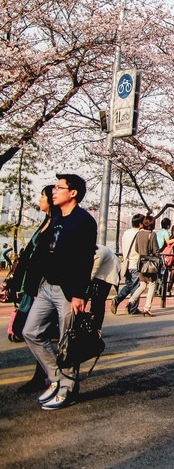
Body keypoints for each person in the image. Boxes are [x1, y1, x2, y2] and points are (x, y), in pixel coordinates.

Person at [23, 174, 97, 410]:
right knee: (30, 331)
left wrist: (79, 294)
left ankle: (68, 390)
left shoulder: (84, 221)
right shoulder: (56, 218)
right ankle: (57, 379)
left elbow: (86, 259)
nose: (54, 191)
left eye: (59, 187)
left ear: (73, 193)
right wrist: (33, 286)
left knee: (67, 342)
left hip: (68, 291)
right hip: (46, 286)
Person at [8, 186, 55, 393]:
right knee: (28, 329)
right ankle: (45, 373)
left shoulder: (56, 224)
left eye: (43, 196)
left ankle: (46, 374)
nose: (39, 199)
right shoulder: (46, 222)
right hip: (32, 285)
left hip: (43, 286)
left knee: (36, 329)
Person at [111, 213, 144, 316]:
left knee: (129, 285)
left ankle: (117, 299)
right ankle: (132, 308)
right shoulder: (141, 233)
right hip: (135, 263)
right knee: (136, 286)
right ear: (140, 224)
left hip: (126, 263)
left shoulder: (126, 233)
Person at [126, 215, 160, 317]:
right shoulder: (152, 234)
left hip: (141, 263)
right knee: (152, 284)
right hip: (150, 264)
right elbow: (156, 250)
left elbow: (136, 248)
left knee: (143, 285)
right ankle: (147, 308)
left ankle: (131, 301)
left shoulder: (139, 234)